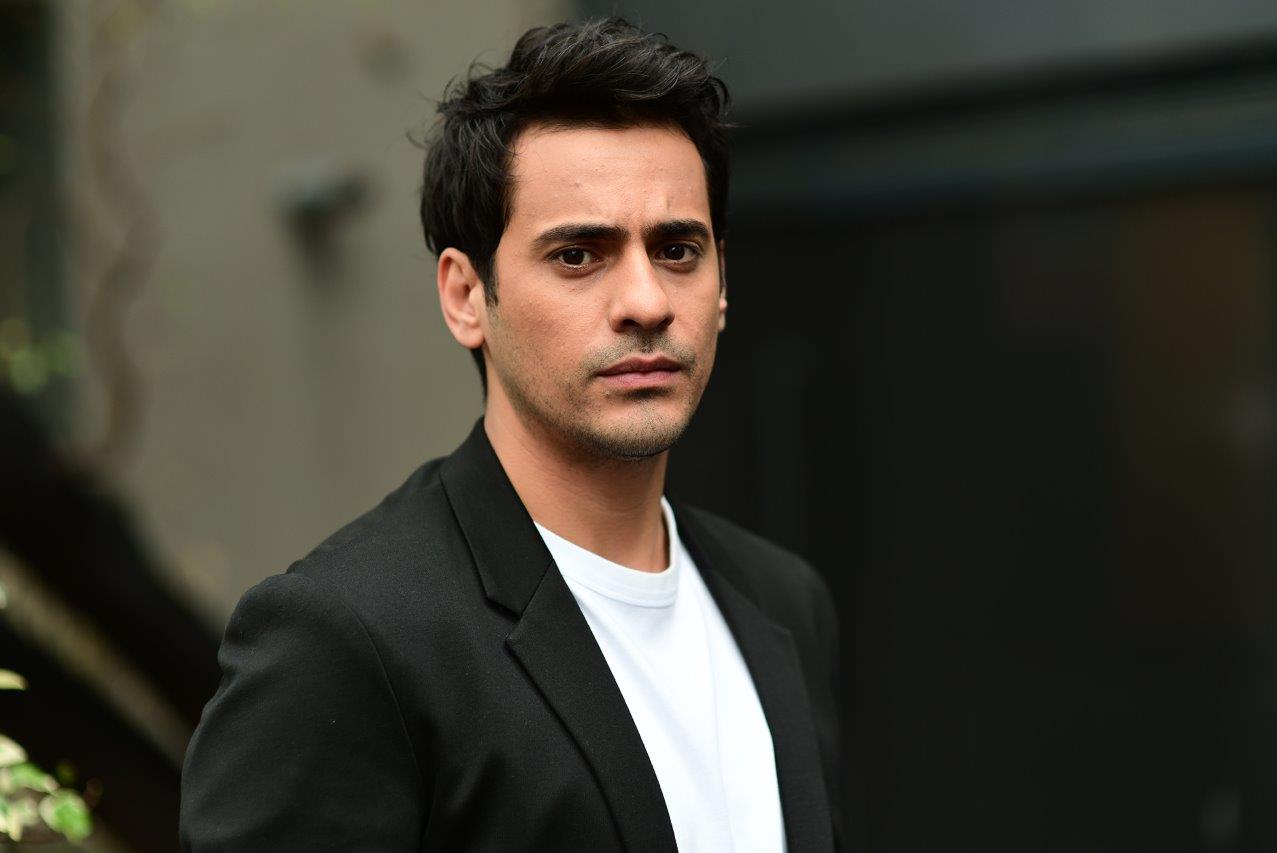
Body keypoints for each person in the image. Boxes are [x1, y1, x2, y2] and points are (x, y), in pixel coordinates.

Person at [179, 18, 845, 852]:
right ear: (466, 296)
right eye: (578, 256)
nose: (646, 301)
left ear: (721, 287)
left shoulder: (783, 601)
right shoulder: (346, 638)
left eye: (677, 249)